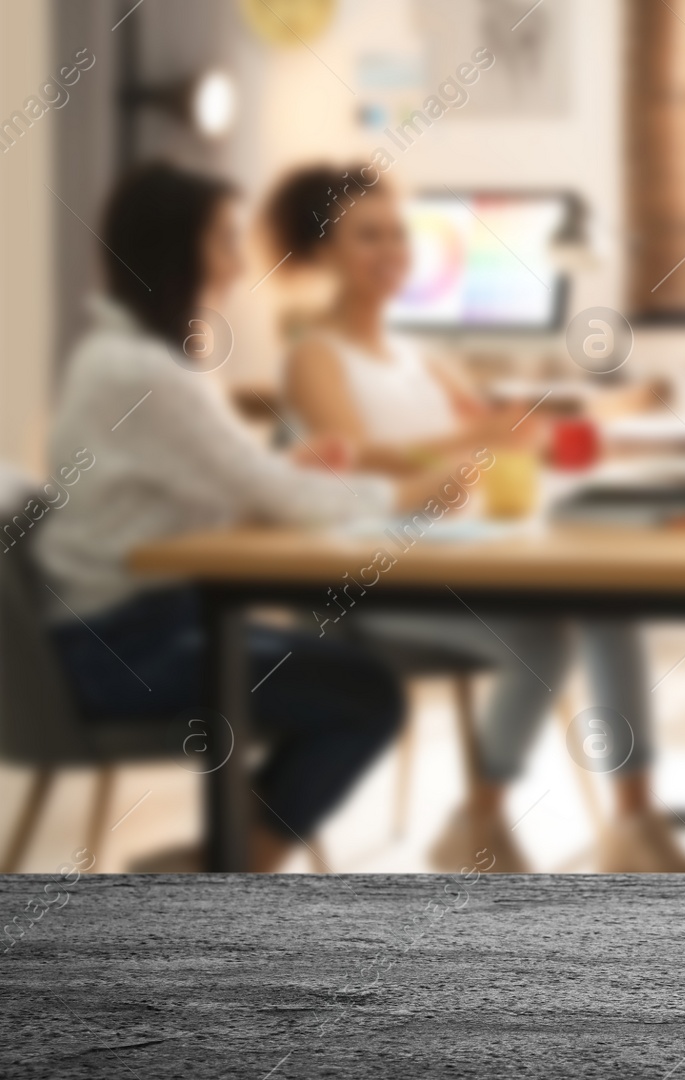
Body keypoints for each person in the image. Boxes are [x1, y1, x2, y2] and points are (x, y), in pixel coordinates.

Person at [262, 164, 685, 873]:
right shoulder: (314, 357)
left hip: (456, 553)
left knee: (611, 605)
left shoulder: (421, 358)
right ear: (325, 252)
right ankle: (478, 826)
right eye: (367, 236)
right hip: (370, 579)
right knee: (543, 640)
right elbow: (361, 459)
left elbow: (494, 431)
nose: (391, 250)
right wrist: (474, 438)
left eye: (398, 233)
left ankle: (636, 826)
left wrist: (574, 424)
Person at [34, 163, 445, 872]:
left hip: (121, 630)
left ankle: (220, 862)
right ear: (175, 251)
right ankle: (229, 869)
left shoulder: (117, 356)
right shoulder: (147, 373)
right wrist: (410, 493)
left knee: (352, 680)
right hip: (125, 648)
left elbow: (217, 485)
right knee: (370, 694)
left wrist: (289, 474)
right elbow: (263, 492)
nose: (238, 261)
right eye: (224, 240)